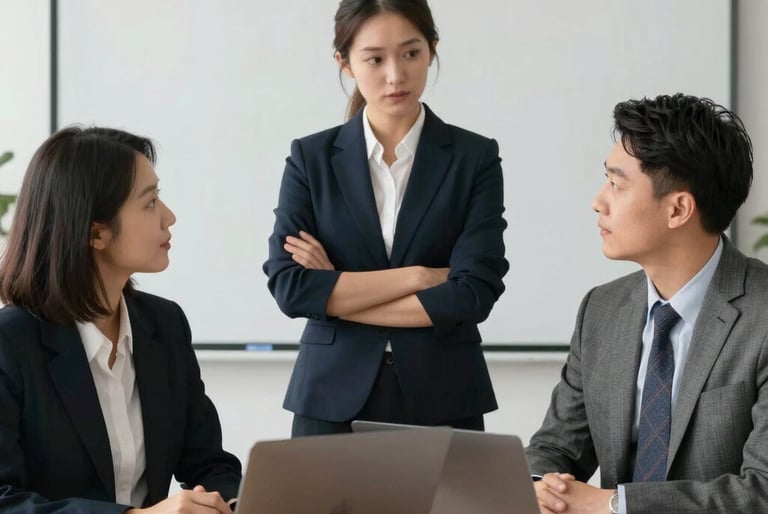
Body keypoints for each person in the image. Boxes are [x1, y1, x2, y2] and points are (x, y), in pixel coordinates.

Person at [263, 0, 508, 437]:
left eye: (411, 53)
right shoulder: (311, 158)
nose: (396, 75)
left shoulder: (474, 157)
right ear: (345, 63)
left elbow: (473, 293)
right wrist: (418, 277)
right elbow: (292, 288)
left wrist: (338, 295)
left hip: (445, 396)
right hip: (330, 398)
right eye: (374, 59)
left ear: (432, 50)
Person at [525, 93, 767, 513]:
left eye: (616, 184)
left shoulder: (761, 316)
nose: (598, 201)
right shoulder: (601, 310)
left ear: (678, 209)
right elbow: (556, 445)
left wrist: (614, 506)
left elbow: (762, 491)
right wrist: (538, 486)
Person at [0, 127, 241, 513]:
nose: (169, 217)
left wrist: (233, 500)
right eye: (150, 203)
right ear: (96, 233)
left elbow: (208, 461)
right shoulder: (10, 343)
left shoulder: (164, 324)